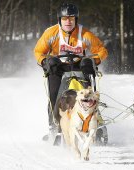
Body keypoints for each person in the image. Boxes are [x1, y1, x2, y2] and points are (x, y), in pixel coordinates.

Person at [34, 3, 108, 138]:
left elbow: (102, 50)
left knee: (87, 93)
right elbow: (39, 51)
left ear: (76, 20)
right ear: (59, 20)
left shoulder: (84, 34)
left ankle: (95, 121)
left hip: (79, 66)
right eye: (64, 19)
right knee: (54, 94)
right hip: (58, 67)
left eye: (71, 19)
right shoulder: (51, 33)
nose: (68, 22)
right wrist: (45, 62)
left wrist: (93, 61)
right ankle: (54, 123)